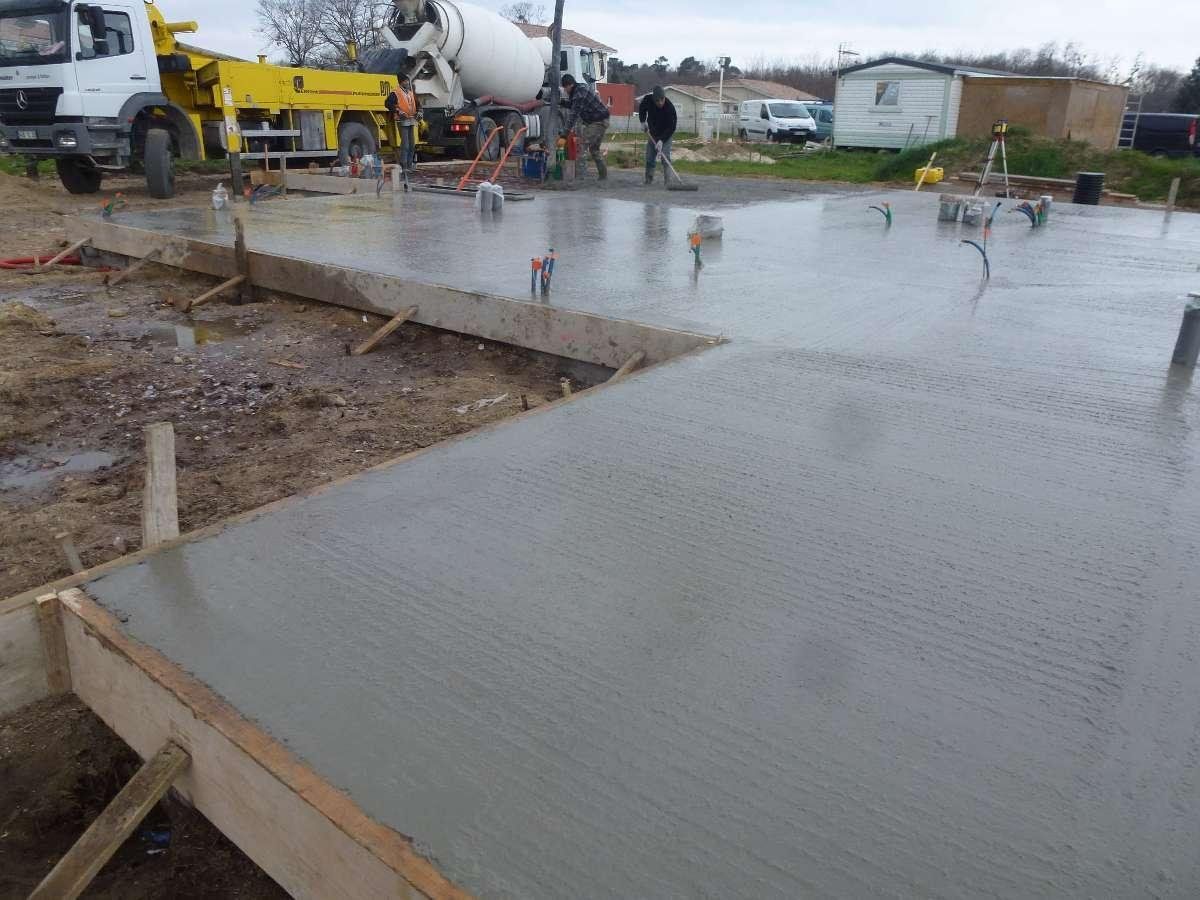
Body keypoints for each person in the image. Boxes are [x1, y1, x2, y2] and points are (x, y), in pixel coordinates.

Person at [560, 74, 610, 180]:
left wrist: (564, 135)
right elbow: (574, 105)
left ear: (570, 85)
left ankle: (579, 176)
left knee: (581, 144)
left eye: (565, 88)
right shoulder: (579, 90)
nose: (565, 91)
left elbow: (573, 115)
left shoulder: (579, 93)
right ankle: (603, 177)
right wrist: (563, 103)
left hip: (598, 122)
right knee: (594, 150)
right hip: (601, 119)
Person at [639, 86, 677, 185]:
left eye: (662, 100)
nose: (660, 102)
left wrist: (662, 140)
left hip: (665, 135)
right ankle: (648, 180)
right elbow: (642, 108)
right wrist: (643, 122)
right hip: (652, 133)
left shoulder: (670, 108)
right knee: (649, 157)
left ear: (664, 97)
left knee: (665, 157)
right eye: (657, 101)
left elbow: (672, 127)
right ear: (653, 99)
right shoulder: (648, 100)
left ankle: (668, 182)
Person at [385, 75, 419, 172]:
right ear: (401, 82)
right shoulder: (396, 93)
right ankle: (404, 166)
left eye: (407, 81)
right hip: (402, 121)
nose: (407, 83)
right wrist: (398, 111)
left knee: (412, 144)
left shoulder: (410, 93)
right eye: (405, 81)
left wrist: (420, 111)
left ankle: (409, 165)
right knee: (405, 144)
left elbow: (417, 104)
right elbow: (387, 103)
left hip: (411, 120)